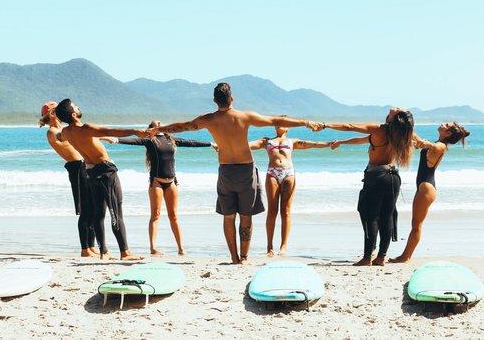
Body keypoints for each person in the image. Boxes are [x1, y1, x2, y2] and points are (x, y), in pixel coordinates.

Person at [150, 82, 323, 265]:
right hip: (246, 170)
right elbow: (276, 121)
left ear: (215, 100)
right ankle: (244, 258)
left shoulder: (208, 119)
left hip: (225, 170)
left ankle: (234, 257)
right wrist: (306, 122)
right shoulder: (244, 116)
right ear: (232, 99)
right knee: (246, 215)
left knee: (229, 215)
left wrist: (159, 129)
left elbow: (183, 126)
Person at [55, 98, 151, 261]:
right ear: (74, 114)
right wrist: (136, 131)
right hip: (106, 172)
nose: (79, 107)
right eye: (76, 107)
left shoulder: (66, 132)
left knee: (99, 214)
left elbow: (61, 138)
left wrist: (95, 138)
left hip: (90, 172)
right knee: (116, 212)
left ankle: (104, 251)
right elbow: (112, 130)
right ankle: (125, 252)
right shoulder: (87, 128)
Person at [323, 108, 415, 266]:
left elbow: (350, 126)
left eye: (397, 110)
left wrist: (326, 125)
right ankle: (381, 257)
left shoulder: (380, 129)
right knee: (387, 217)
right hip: (393, 177)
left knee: (369, 216)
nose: (394, 108)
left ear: (393, 118)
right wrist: (342, 143)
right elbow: (362, 140)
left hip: (376, 177)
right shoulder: (401, 133)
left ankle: (367, 258)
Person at [111, 121, 216, 255]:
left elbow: (190, 142)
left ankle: (181, 248)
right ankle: (153, 248)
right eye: (155, 123)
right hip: (156, 182)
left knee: (174, 216)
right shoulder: (150, 140)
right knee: (155, 215)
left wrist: (210, 144)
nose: (159, 123)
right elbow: (133, 141)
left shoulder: (170, 139)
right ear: (151, 128)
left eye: (160, 122)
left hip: (171, 182)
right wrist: (115, 140)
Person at [249, 127, 337, 257]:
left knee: (286, 211)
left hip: (288, 173)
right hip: (272, 173)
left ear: (288, 127)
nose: (280, 125)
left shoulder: (292, 141)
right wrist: (225, 144)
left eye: (284, 123)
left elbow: (311, 144)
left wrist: (329, 144)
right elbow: (247, 145)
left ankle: (283, 246)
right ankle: (269, 247)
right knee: (272, 211)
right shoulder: (266, 141)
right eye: (278, 123)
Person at [389, 122, 470, 263]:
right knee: (415, 223)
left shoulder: (441, 146)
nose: (442, 124)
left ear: (448, 133)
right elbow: (422, 143)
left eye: (446, 125)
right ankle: (405, 256)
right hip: (423, 186)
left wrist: (424, 142)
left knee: (416, 225)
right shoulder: (437, 143)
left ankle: (406, 257)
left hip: (426, 188)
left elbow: (434, 147)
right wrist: (415, 138)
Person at [40, 101, 99, 258]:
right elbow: (67, 137)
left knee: (93, 208)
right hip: (76, 168)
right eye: (57, 111)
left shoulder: (63, 129)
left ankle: (92, 246)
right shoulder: (52, 131)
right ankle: (85, 248)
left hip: (84, 165)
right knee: (86, 209)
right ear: (52, 114)